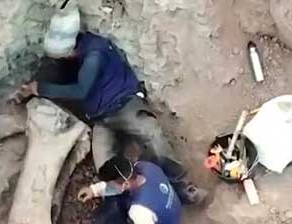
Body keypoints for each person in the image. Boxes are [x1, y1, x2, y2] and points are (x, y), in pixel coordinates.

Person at [16, 3, 207, 205]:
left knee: (151, 133)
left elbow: (80, 90)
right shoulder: (76, 55)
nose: (63, 59)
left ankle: (183, 186)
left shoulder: (94, 55)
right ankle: (136, 202)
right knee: (105, 167)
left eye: (63, 55)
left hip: (123, 104)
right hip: (100, 118)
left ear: (70, 48)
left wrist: (41, 88)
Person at [77, 155, 181, 224]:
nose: (110, 186)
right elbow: (119, 184)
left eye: (112, 184)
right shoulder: (145, 166)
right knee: (117, 197)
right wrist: (94, 190)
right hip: (169, 211)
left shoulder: (138, 211)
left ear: (126, 184)